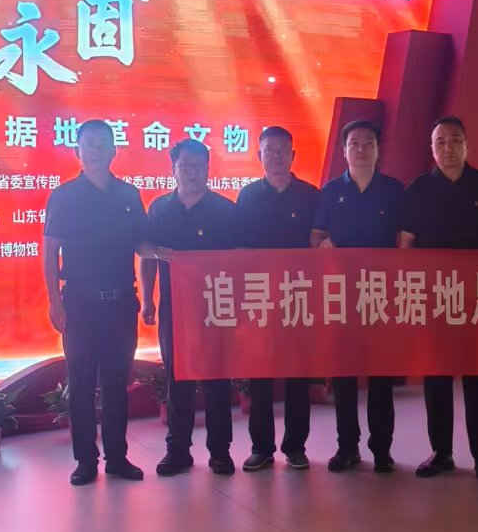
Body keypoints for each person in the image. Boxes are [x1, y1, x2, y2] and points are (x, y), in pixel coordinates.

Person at [42, 119, 152, 484]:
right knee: (82, 384)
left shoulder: (128, 195)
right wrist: (55, 303)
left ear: (114, 150)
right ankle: (85, 461)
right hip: (80, 305)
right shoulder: (64, 196)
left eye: (103, 143)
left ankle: (117, 458)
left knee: (118, 383)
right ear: (78, 151)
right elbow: (50, 252)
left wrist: (171, 254)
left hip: (121, 304)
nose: (96, 150)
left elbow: (142, 245)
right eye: (89, 144)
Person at [399, 117, 478, 480]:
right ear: (432, 148)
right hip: (434, 298)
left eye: (455, 140)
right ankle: (441, 452)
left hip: (476, 298)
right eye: (440, 141)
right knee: (437, 378)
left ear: (466, 145)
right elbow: (406, 243)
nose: (448, 147)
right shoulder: (418, 188)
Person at [311, 120, 407, 474]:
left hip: (381, 294)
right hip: (342, 294)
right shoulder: (330, 191)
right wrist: (323, 246)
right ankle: (347, 447)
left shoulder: (394, 190)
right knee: (344, 373)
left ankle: (382, 449)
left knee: (381, 375)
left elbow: (405, 239)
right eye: (354, 143)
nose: (361, 149)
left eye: (368, 143)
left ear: (378, 150)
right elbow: (316, 236)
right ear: (344, 150)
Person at [143, 140, 239, 476]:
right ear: (174, 169)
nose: (192, 172)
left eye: (198, 165)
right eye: (185, 165)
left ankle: (220, 452)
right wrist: (147, 299)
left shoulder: (226, 210)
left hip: (216, 306)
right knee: (177, 379)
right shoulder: (159, 209)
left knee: (217, 380)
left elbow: (240, 260)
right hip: (174, 309)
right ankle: (178, 451)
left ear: (208, 169)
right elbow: (147, 253)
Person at [234, 126, 320, 471]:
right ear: (259, 156)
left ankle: (296, 447)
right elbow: (239, 248)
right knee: (261, 376)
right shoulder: (248, 196)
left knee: (298, 375)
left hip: (299, 297)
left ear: (293, 155)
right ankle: (262, 447)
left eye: (283, 149)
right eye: (269, 150)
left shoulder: (310, 196)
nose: (276, 156)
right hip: (260, 298)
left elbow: (319, 244)